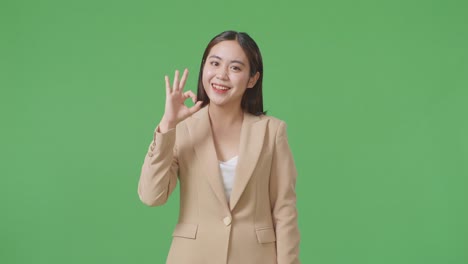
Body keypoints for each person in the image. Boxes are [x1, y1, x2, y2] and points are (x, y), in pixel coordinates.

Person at [138, 30, 300, 264]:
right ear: (204, 68)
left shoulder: (272, 132)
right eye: (214, 63)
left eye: (235, 68)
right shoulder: (182, 129)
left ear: (252, 79)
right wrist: (167, 125)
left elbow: (285, 212)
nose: (222, 75)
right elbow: (152, 196)